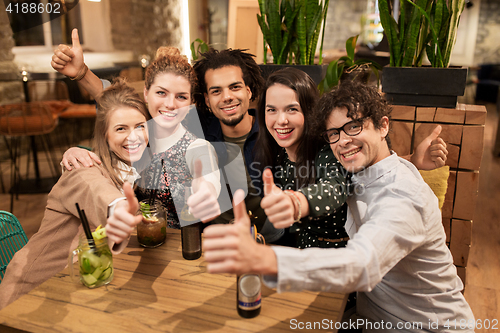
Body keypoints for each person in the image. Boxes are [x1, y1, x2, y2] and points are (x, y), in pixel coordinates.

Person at [202, 80, 474, 332]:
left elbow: (362, 265)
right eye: (334, 133)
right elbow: (347, 181)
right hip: (369, 318)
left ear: (383, 126)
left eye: (354, 126)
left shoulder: (403, 195)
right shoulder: (361, 170)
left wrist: (266, 259)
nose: (343, 140)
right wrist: (413, 158)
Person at [0, 80, 149, 309]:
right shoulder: (81, 169)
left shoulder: (132, 170)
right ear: (104, 135)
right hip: (31, 295)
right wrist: (119, 208)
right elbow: (95, 190)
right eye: (121, 128)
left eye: (140, 126)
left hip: (82, 289)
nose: (134, 136)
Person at [52, 29, 221, 228]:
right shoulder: (135, 133)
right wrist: (81, 73)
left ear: (191, 102)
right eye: (161, 93)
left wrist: (206, 192)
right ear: (146, 93)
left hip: (178, 252)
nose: (170, 104)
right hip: (131, 246)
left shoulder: (197, 147)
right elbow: (110, 99)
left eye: (181, 97)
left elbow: (207, 179)